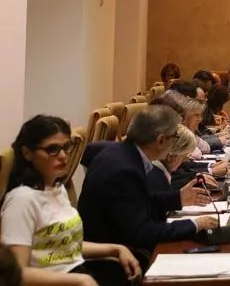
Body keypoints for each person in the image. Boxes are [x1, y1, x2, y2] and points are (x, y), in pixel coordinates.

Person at [1, 116, 141, 286]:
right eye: (52, 149)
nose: (63, 156)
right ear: (27, 153)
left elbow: (67, 247)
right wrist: (80, 280)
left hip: (78, 273)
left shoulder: (58, 188)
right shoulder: (22, 200)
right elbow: (17, 274)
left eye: (66, 147)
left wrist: (116, 248)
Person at [78, 105, 220, 257]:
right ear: (160, 140)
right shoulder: (124, 169)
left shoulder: (121, 153)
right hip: (115, 260)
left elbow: (136, 200)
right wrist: (194, 224)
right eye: (174, 137)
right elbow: (141, 233)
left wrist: (177, 198)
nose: (174, 144)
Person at [147, 126, 202, 194]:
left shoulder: (153, 170)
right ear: (171, 157)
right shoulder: (157, 179)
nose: (185, 161)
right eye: (184, 157)